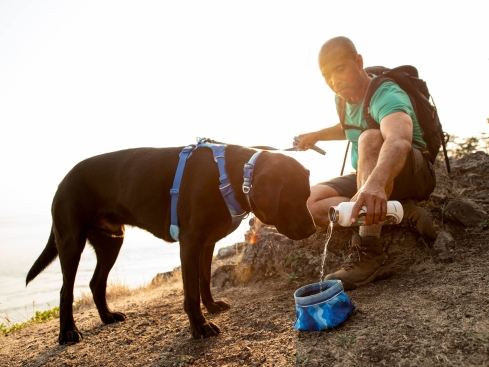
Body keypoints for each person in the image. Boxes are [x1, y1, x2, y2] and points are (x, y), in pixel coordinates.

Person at [296, 36, 437, 290]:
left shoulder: (386, 94)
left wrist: (374, 185)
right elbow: (347, 126)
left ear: (359, 61)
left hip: (412, 172)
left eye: (340, 69)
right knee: (308, 202)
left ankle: (370, 250)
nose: (334, 81)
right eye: (327, 76)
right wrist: (315, 136)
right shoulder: (343, 99)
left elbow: (398, 139)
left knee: (371, 137)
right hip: (370, 174)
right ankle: (401, 213)